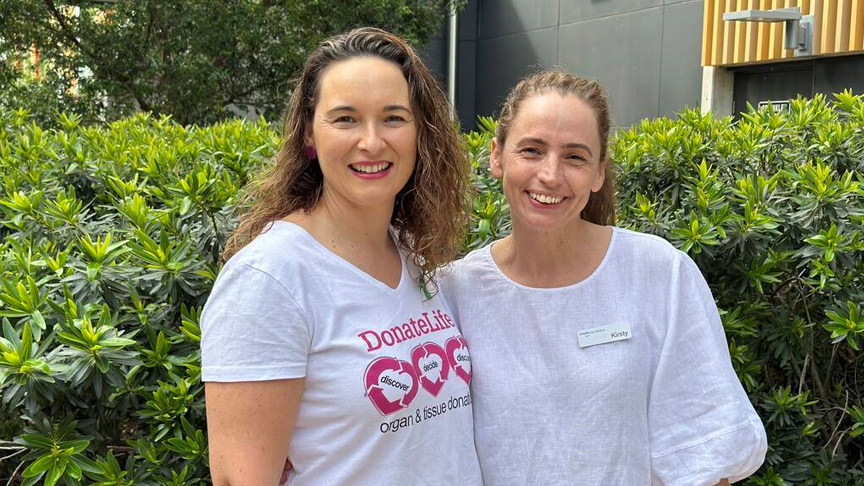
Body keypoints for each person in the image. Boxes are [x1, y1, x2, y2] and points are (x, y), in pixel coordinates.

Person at [441, 70, 768, 485]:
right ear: (496, 156)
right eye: (532, 150)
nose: (551, 174)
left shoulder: (657, 273)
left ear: (598, 172)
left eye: (575, 156)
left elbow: (705, 453)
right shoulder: (452, 293)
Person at [200, 27, 483, 486]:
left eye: (393, 118)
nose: (371, 142)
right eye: (346, 119)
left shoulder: (411, 253)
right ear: (309, 133)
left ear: (420, 133)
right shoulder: (270, 278)